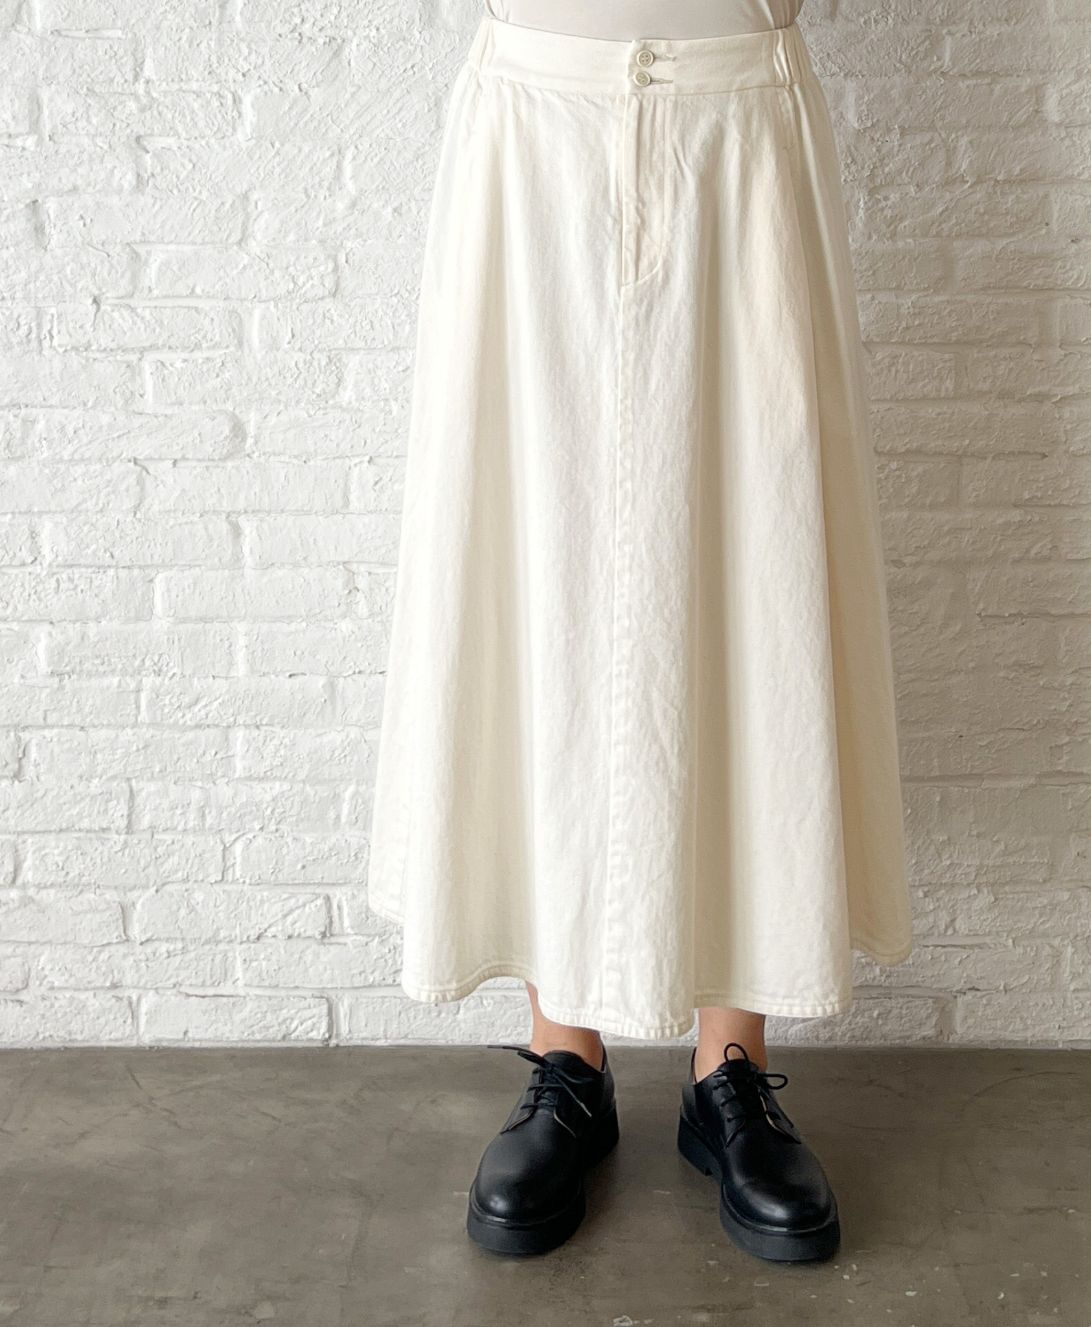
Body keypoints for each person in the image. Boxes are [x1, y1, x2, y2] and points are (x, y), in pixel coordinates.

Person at [366, 0, 915, 1263]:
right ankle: (566, 1056)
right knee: (531, 562)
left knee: (758, 562)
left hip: (739, 111)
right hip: (534, 114)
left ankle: (731, 1069)